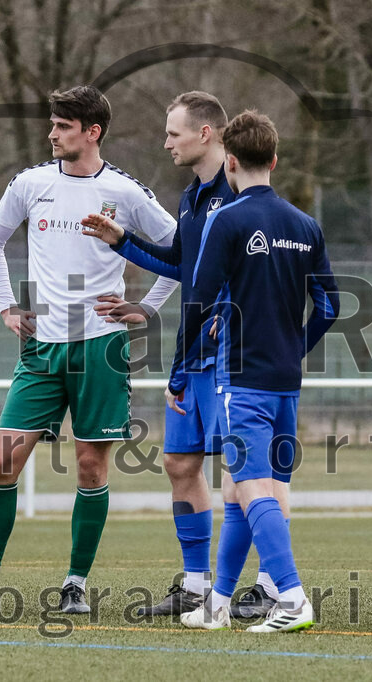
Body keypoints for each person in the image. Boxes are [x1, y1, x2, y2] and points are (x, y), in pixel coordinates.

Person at [0, 85, 178, 616]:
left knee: (91, 468)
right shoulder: (30, 183)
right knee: (0, 461)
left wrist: (147, 307)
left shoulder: (126, 192)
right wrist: (6, 306)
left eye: (64, 126)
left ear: (93, 132)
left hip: (101, 348)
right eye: (52, 123)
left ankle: (75, 586)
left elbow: (178, 251)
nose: (52, 133)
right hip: (40, 349)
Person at [81, 92, 285, 618]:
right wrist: (122, 241)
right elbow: (182, 262)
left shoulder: (242, 199)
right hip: (192, 352)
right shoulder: (192, 197)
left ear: (207, 134)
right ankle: (196, 585)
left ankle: (267, 586)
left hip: (230, 357)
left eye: (173, 133)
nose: (166, 142)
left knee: (243, 473)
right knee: (179, 462)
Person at [165, 109, 339, 632]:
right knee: (245, 491)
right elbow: (329, 307)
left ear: (232, 160)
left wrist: (177, 374)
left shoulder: (228, 218)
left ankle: (291, 598)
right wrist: (295, 347)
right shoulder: (305, 224)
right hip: (286, 382)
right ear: (276, 160)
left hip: (239, 381)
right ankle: (217, 604)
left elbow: (197, 304)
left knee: (250, 484)